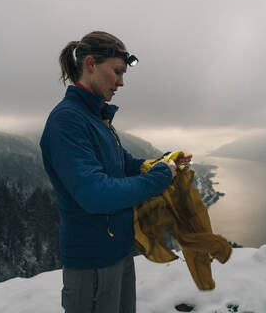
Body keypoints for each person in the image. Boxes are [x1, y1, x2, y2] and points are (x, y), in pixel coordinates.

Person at [40, 31, 192, 313]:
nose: (121, 82)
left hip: (118, 253)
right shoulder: (67, 121)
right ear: (90, 64)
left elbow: (127, 165)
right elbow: (96, 195)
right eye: (117, 71)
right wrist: (161, 177)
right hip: (92, 263)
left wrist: (166, 163)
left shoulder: (95, 119)